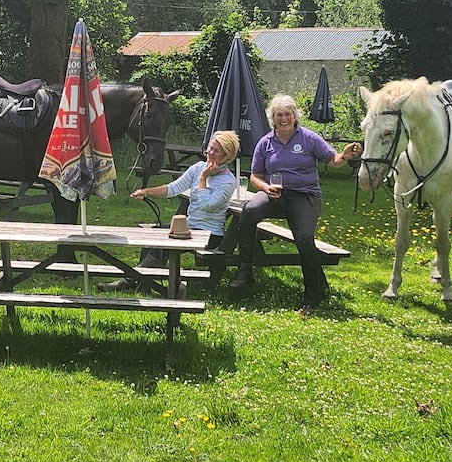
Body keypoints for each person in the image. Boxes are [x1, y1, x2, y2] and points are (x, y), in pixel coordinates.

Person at [224, 94, 359, 311]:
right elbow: (255, 176)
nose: (283, 119)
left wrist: (344, 156)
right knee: (248, 211)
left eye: (287, 114)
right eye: (279, 115)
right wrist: (266, 187)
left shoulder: (309, 138)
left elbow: (333, 160)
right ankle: (245, 269)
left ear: (295, 116)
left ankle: (312, 296)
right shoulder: (265, 142)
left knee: (304, 240)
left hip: (305, 196)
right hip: (275, 194)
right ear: (273, 118)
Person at [97, 130, 240, 293]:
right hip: (190, 228)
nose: (210, 152)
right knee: (154, 234)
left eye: (216, 150)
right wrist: (146, 191)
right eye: (210, 148)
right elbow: (174, 188)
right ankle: (144, 285)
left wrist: (203, 179)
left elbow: (206, 205)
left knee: (165, 245)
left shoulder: (227, 181)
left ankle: (129, 281)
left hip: (210, 234)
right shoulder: (198, 167)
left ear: (226, 156)